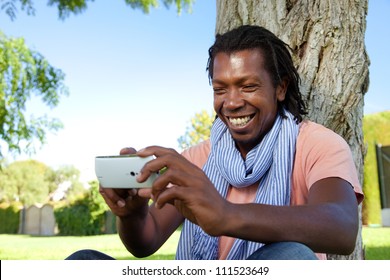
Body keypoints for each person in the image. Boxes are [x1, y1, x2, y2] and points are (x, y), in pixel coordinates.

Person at [66, 25, 363, 260]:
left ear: (280, 88)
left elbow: (342, 227)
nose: (232, 103)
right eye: (221, 89)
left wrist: (226, 215)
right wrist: (132, 214)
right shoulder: (198, 158)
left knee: (294, 257)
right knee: (84, 261)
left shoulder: (317, 144)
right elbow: (147, 239)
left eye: (248, 86)